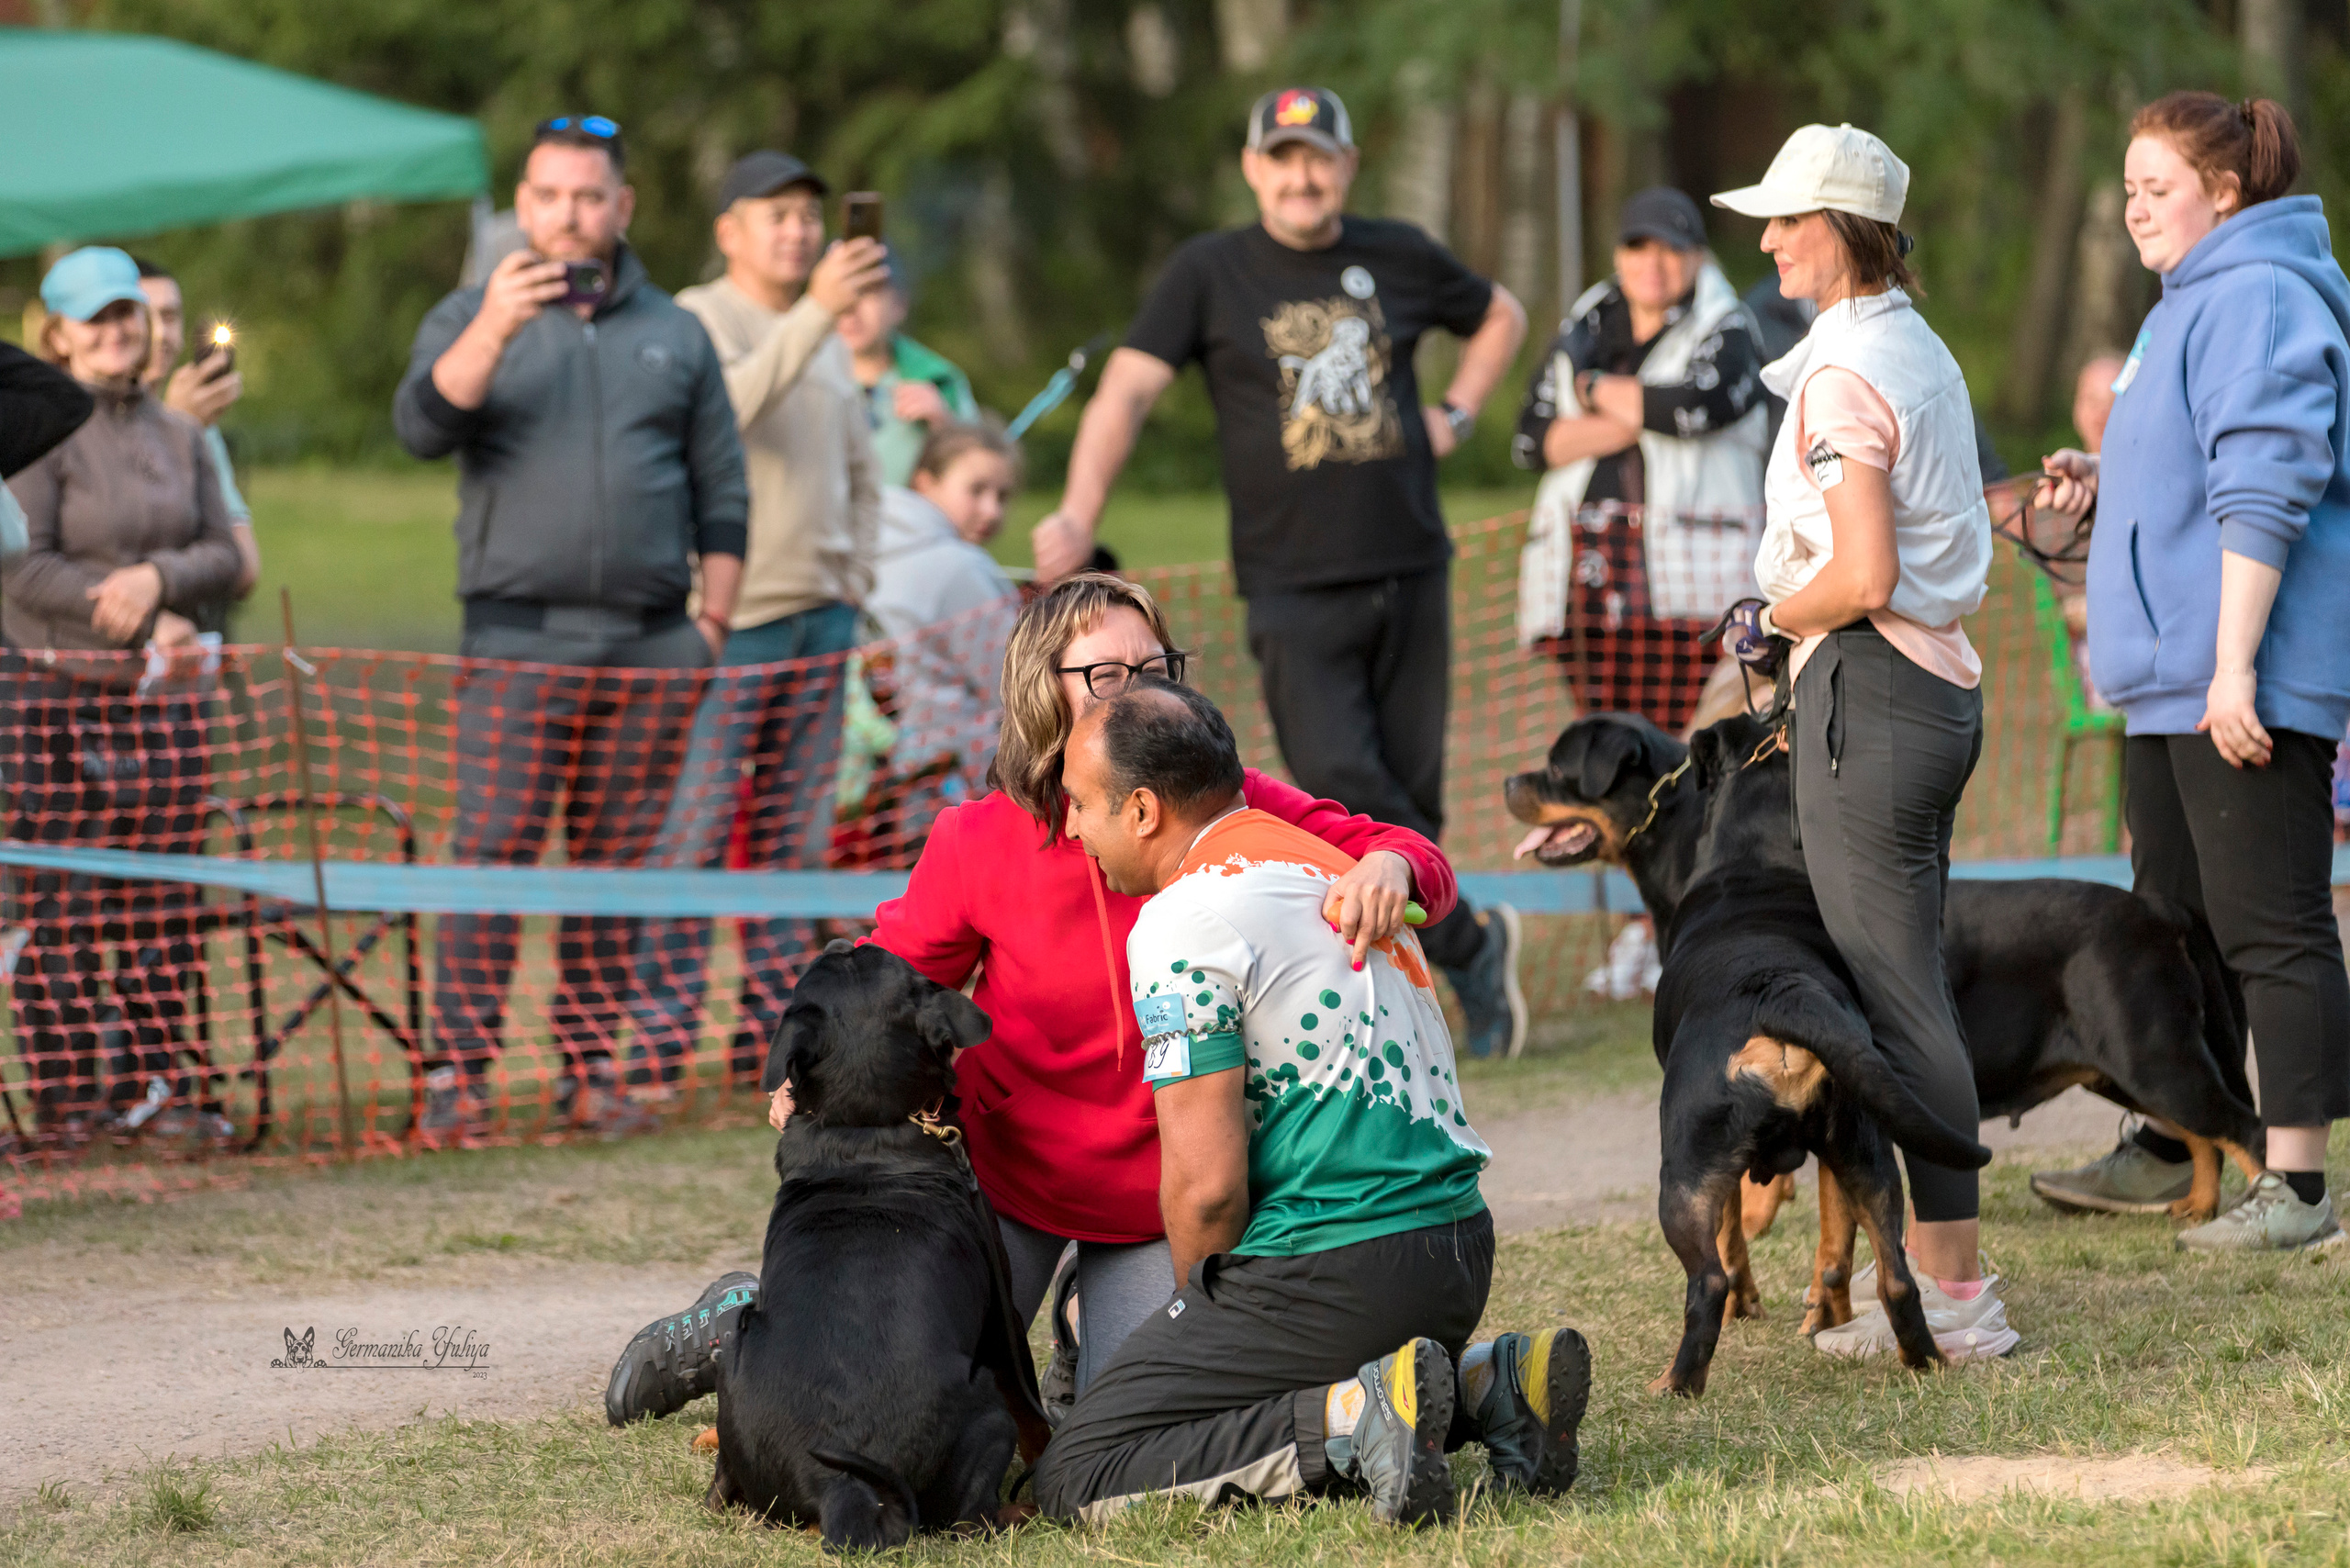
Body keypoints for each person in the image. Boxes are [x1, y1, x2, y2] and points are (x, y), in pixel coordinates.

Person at [604, 573, 1460, 1428]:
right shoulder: (977, 838)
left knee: (1138, 1428)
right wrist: (816, 1067)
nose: (1140, 687)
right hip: (1000, 1180)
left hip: (1157, 1198)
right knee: (912, 1382)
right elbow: (887, 975)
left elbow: (1408, 854)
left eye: (1155, 666)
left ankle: (1083, 1331)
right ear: (1038, 691)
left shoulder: (1224, 803)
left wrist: (1393, 866)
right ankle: (738, 1320)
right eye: (1106, 675)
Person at [1030, 86, 1532, 1058]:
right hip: (1291, 579)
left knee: (1410, 799)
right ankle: (1470, 942)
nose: (1301, 174)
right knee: (1340, 773)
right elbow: (1127, 388)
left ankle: (1423, 987)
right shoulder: (1209, 272)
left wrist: (1460, 412)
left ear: (1345, 166)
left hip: (1411, 562)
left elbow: (1500, 314)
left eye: (1319, 157)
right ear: (1254, 168)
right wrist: (1076, 515)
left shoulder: (1399, 253)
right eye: (1282, 157)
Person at [1033, 678, 1589, 1527]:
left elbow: (1208, 1186)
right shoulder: (1329, 865)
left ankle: (1352, 1423)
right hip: (1456, 1252)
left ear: (1142, 809)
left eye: (1079, 804)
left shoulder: (1182, 921)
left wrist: (1200, 1312)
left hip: (1337, 1265)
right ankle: (1492, 1385)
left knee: (1077, 1472)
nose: (1071, 827)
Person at [1710, 125, 2016, 1356]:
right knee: (1912, 986)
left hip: (1876, 694)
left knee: (1899, 1000)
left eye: (1788, 219)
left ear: (1840, 230)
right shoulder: (1909, 345)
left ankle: (1954, 1301)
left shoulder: (1845, 377)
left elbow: (1866, 569)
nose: (1771, 239)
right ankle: (1946, 1288)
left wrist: (1768, 615)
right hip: (1922, 694)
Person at [2030, 94, 2349, 1251]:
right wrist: (2099, 472)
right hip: (2170, 680)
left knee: (2272, 923)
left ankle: (2301, 1192)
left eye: (2154, 188)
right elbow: (2182, 469)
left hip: (2239, 676)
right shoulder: (2182, 306)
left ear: (2224, 193)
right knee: (2173, 927)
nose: (2131, 211)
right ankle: (2184, 1142)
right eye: (2123, 192)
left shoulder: (2260, 293)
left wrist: (2234, 671)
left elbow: (2265, 486)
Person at [392, 115, 749, 1144]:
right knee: (493, 859)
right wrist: (497, 324)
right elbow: (421, 426)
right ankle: (457, 1076)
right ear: (522, 205)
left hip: (650, 645)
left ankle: (590, 1068)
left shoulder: (673, 332)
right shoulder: (470, 312)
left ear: (622, 207)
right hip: (516, 638)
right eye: (546, 197)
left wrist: (711, 623)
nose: (567, 215)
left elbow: (721, 487)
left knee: (613, 862)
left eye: (587, 197)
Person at [621, 151, 886, 1095]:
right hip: (733, 624)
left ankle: (769, 1047)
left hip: (823, 619)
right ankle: (657, 1046)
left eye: (808, 215)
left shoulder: (822, 337)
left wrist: (855, 581)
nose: (797, 230)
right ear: (727, 229)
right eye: (773, 214)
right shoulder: (694, 319)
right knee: (693, 832)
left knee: (792, 842)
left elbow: (860, 469)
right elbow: (724, 415)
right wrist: (817, 309)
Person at [2, 247, 241, 1140]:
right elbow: (21, 563)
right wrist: (138, 615)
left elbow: (227, 554)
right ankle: (71, 1100)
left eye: (127, 315)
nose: (117, 332)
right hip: (54, 696)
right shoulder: (34, 426)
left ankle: (155, 1089)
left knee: (162, 903)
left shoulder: (181, 433)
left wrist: (155, 577)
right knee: (64, 904)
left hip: (165, 704)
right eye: (95, 319)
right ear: (57, 335)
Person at [1511, 185, 1769, 733]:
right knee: (1607, 744)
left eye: (1672, 249)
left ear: (1699, 255)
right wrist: (1642, 411)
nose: (1653, 264)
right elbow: (1532, 440)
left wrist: (1594, 389)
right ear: (1618, 256)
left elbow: (1698, 405)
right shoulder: (1584, 329)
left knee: (1676, 746)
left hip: (1689, 589)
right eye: (1638, 247)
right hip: (1584, 586)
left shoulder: (1731, 330)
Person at [864, 421, 1022, 839]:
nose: (992, 511)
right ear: (925, 482)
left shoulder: (864, 543)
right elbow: (1020, 689)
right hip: (949, 793)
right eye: (977, 490)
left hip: (871, 781)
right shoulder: (961, 569)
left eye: (1002, 496)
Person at [132, 259, 260, 623]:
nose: (161, 334)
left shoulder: (199, 424)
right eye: (145, 315)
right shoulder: (79, 420)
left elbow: (244, 567)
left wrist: (185, 428)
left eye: (170, 317)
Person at [834, 262, 980, 486]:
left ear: (899, 306)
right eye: (840, 293)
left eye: (867, 293)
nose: (850, 310)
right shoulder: (801, 377)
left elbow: (981, 475)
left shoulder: (940, 381)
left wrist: (943, 426)